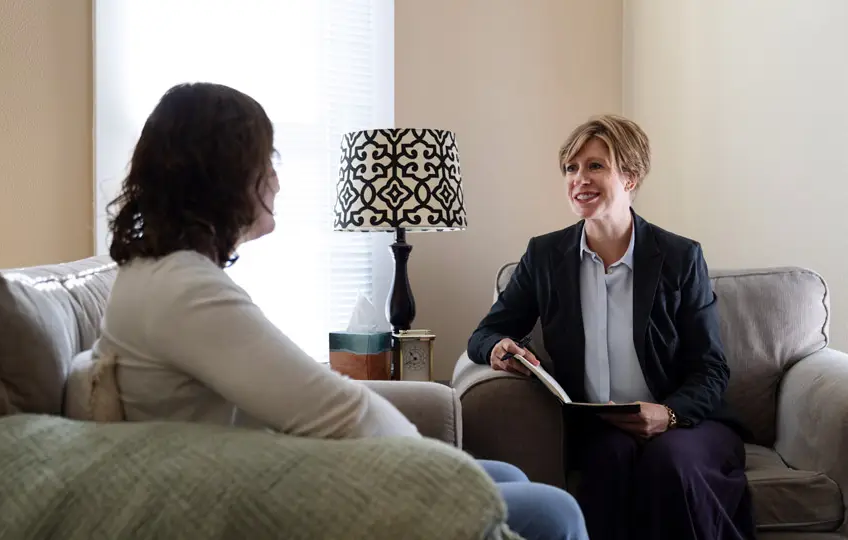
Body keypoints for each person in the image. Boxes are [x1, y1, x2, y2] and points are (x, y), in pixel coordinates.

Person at [94, 82, 588, 540]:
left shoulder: (162, 275)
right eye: (266, 162)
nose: (277, 182)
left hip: (258, 466)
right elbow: (340, 411)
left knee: (509, 475)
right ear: (222, 176)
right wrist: (441, 472)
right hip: (253, 493)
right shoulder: (185, 289)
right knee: (554, 511)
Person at [467, 114, 756, 540]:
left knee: (669, 463)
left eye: (595, 166)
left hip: (687, 424)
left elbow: (711, 368)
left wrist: (669, 414)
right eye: (571, 168)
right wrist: (499, 347)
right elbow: (484, 335)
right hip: (600, 427)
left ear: (631, 177)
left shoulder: (679, 257)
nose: (579, 179)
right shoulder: (545, 256)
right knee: (607, 462)